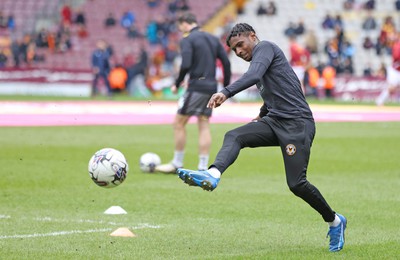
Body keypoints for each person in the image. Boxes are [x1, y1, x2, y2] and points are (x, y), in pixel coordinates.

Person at [177, 23, 347, 252]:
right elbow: (282, 88)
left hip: (297, 125)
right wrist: (262, 114)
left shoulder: (266, 48)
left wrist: (225, 92)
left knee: (297, 184)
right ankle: (213, 174)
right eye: (234, 49)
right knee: (235, 135)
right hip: (275, 121)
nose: (238, 51)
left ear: (252, 36)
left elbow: (256, 75)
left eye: (240, 45)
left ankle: (335, 221)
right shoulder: (265, 60)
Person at [155, 13, 231, 173]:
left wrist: (177, 83)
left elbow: (186, 64)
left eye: (180, 27)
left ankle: (177, 162)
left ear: (184, 24)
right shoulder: (212, 38)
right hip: (211, 88)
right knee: (203, 124)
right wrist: (225, 89)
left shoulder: (187, 39)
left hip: (196, 87)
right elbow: (226, 62)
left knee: (178, 123)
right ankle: (203, 167)